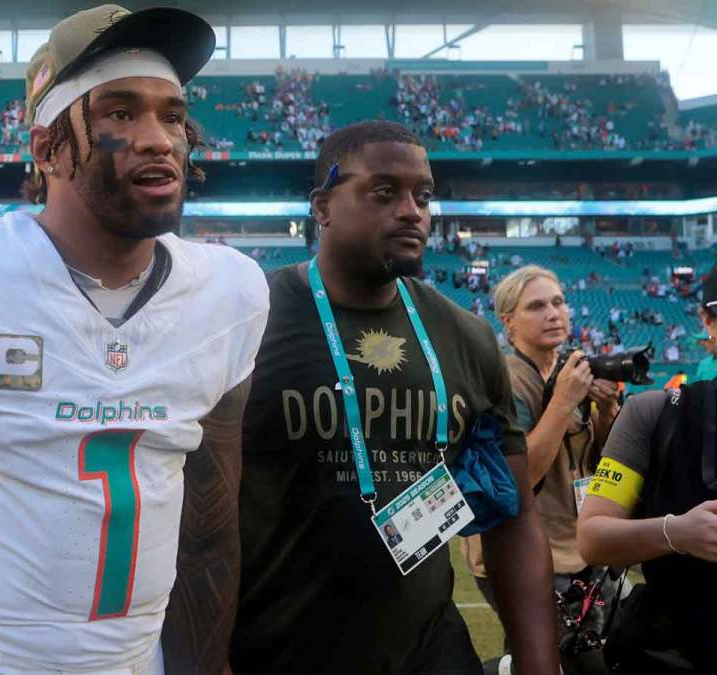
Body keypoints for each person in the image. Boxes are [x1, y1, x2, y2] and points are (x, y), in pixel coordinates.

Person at [0, 7, 268, 674]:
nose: (158, 139)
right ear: (47, 148)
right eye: (121, 113)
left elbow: (207, 535)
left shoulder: (226, 294)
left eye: (172, 115)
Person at [231, 121, 559, 675]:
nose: (412, 211)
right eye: (384, 192)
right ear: (323, 206)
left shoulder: (466, 336)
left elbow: (516, 514)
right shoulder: (249, 318)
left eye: (423, 195)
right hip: (278, 650)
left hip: (432, 654)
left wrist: (538, 664)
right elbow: (197, 515)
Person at [461, 266, 619, 649]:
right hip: (524, 551)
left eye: (558, 302)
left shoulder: (572, 370)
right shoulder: (505, 380)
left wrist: (606, 413)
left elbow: (593, 462)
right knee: (544, 657)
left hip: (575, 543)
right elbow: (523, 475)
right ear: (508, 322)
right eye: (536, 306)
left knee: (602, 653)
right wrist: (564, 401)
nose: (553, 313)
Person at [576, 267, 717, 672]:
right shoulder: (653, 413)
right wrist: (677, 532)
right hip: (677, 648)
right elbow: (593, 536)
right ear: (706, 322)